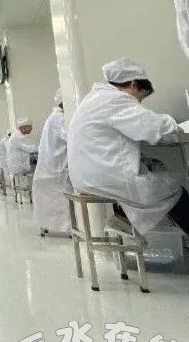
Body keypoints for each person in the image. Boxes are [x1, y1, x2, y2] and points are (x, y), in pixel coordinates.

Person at [68, 58, 189, 236]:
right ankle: (126, 219)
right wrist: (175, 124)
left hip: (86, 176)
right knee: (173, 190)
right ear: (133, 84)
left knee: (156, 169)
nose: (138, 104)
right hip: (102, 177)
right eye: (140, 98)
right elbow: (150, 126)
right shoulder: (116, 100)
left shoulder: (95, 98)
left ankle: (122, 217)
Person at [32, 90, 71, 235]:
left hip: (49, 168)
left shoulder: (53, 117)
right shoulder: (60, 118)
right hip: (56, 168)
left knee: (49, 199)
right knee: (59, 198)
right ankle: (65, 228)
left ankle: (46, 225)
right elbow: (70, 137)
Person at [6, 117, 37, 182]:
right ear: (23, 127)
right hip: (18, 166)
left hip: (19, 165)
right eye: (29, 127)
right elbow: (30, 149)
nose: (31, 128)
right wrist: (41, 148)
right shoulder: (18, 137)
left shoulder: (18, 135)